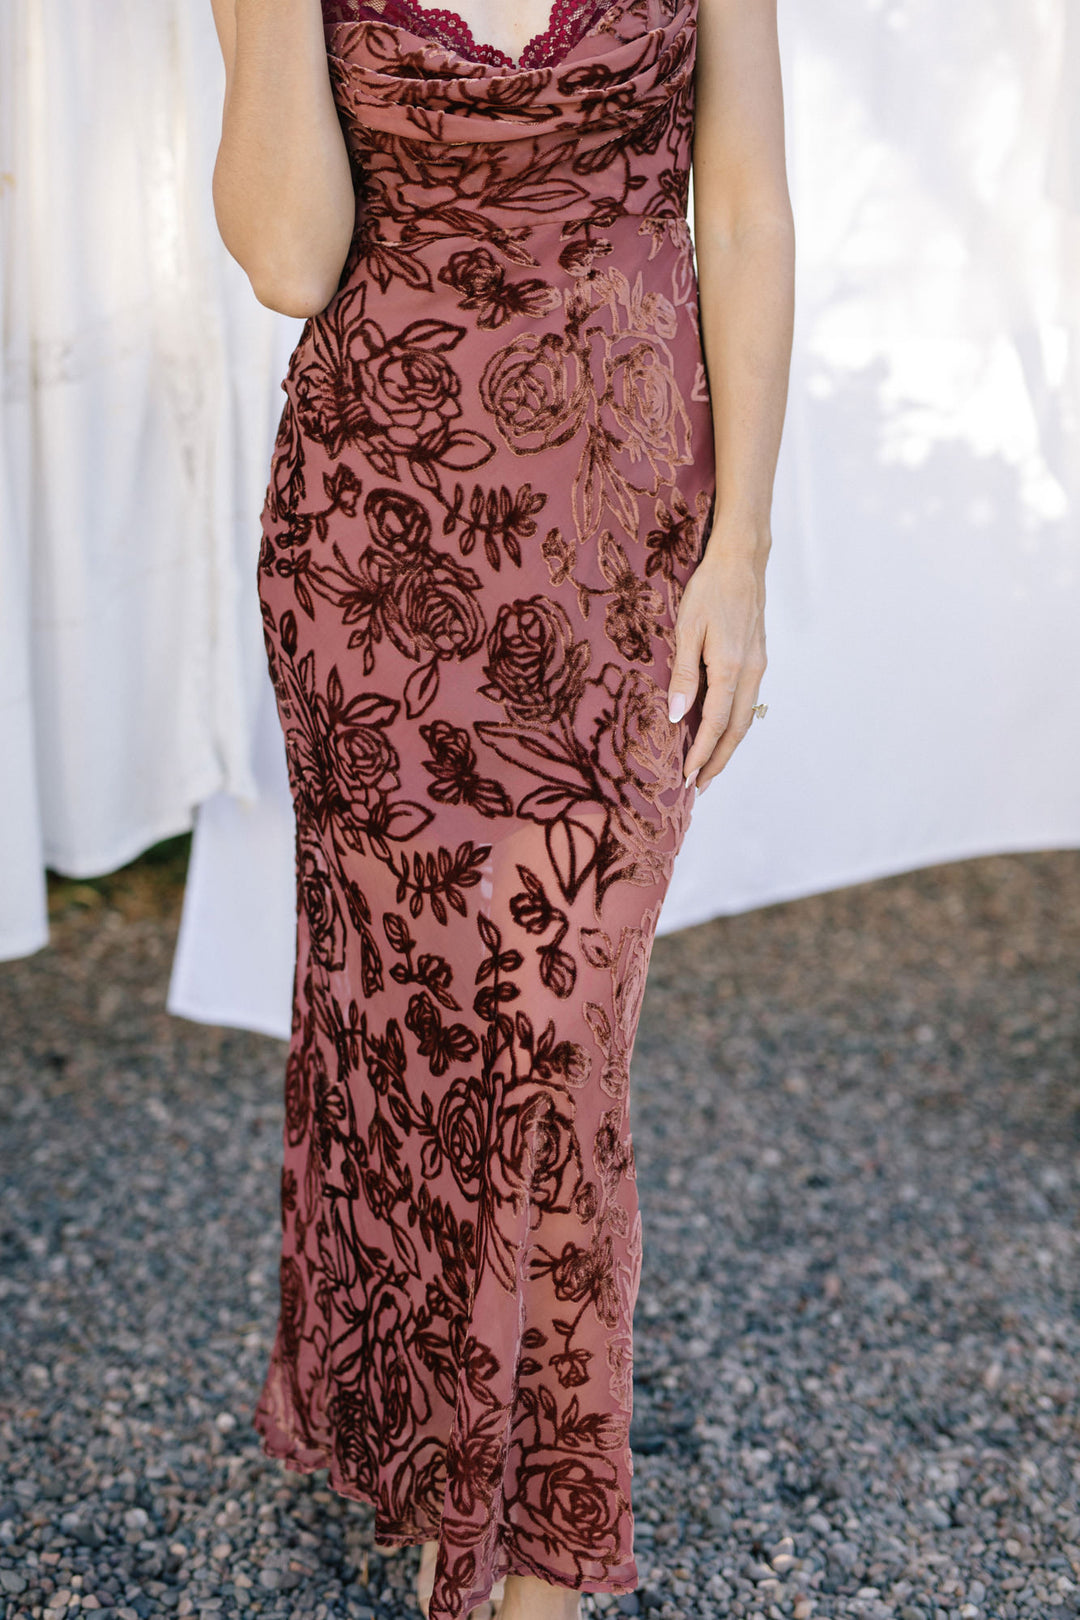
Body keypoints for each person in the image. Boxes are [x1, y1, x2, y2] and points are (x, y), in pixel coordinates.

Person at [208, 2, 793, 1619]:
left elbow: (739, 208)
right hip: (380, 559)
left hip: (621, 550)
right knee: (416, 1034)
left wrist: (740, 549)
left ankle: (532, 1559)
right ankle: (437, 1456)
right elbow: (288, 260)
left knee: (556, 1031)